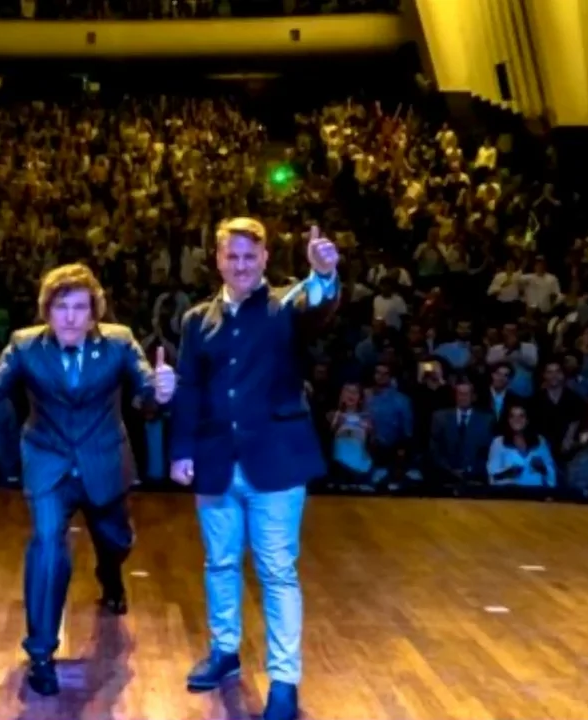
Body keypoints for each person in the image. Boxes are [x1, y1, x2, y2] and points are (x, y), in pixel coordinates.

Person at [0, 262, 175, 697]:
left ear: (94, 313)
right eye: (61, 307)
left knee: (117, 541)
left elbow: (147, 389)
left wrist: (161, 390)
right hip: (48, 459)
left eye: (79, 307)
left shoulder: (119, 341)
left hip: (103, 459)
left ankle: (110, 575)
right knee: (48, 544)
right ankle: (40, 653)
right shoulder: (24, 345)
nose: (70, 317)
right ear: (47, 311)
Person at [170, 218, 340, 720]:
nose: (241, 265)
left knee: (277, 572)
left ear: (265, 259)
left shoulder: (287, 305)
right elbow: (189, 388)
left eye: (250, 256)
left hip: (277, 462)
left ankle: (284, 681)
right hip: (215, 460)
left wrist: (324, 275)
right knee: (220, 563)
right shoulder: (197, 320)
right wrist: (181, 450)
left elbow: (318, 309)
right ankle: (225, 651)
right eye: (232, 256)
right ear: (218, 260)